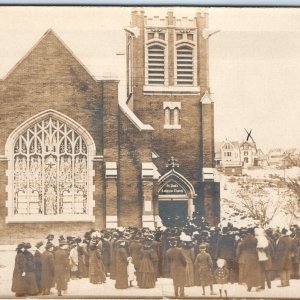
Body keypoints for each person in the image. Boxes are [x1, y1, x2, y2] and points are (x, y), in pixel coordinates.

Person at [239, 228, 263, 292]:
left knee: (248, 271)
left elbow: (241, 246)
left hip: (248, 258)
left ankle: (249, 287)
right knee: (256, 272)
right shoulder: (255, 239)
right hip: (255, 257)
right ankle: (257, 286)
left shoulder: (245, 239)